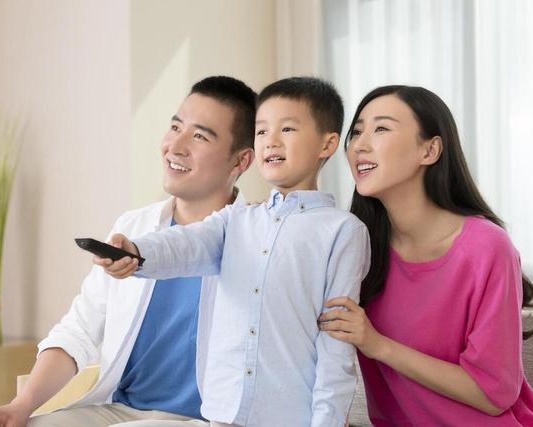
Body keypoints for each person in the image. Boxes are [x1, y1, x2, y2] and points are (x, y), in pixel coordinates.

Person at [0, 76, 257, 427]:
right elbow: (78, 330)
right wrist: (21, 405)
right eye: (175, 127)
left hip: (200, 420)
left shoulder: (258, 241)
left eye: (200, 136)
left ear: (241, 161)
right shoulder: (134, 226)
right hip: (118, 411)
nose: (176, 146)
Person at [97, 77, 371, 427]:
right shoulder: (236, 219)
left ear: (327, 143)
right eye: (261, 131)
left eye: (287, 129)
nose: (270, 141)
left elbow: (336, 345)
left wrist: (327, 422)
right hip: (221, 416)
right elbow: (186, 243)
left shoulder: (343, 231)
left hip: (288, 419)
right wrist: (135, 251)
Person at [319, 85, 533, 426]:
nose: (359, 145)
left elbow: (494, 394)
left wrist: (378, 344)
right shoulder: (358, 246)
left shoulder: (486, 247)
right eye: (356, 132)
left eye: (381, 128)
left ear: (429, 150)